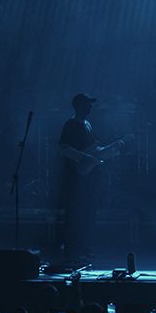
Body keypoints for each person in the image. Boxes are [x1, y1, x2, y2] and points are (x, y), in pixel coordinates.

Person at [55, 93, 121, 265]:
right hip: (75, 177)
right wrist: (84, 158)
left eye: (90, 104)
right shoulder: (71, 124)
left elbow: (92, 149)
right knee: (75, 214)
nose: (90, 107)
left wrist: (109, 152)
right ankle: (72, 251)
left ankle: (82, 249)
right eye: (87, 104)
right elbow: (63, 147)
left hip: (86, 177)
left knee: (86, 214)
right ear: (78, 106)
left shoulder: (87, 124)